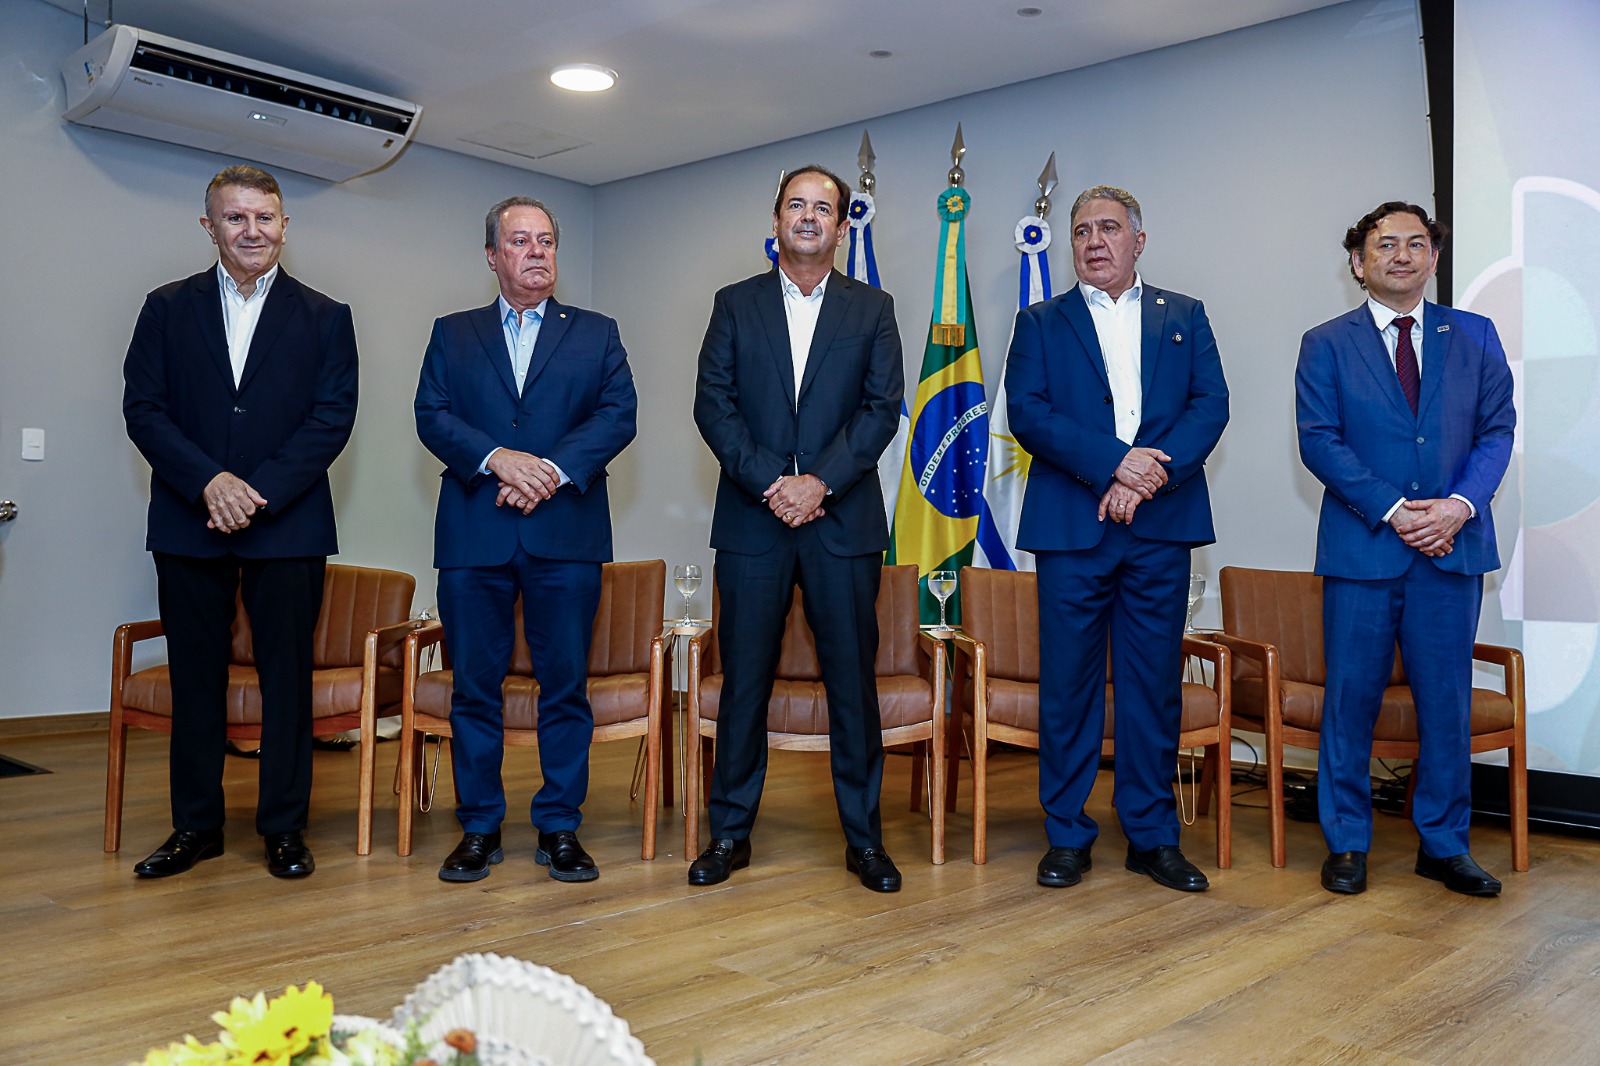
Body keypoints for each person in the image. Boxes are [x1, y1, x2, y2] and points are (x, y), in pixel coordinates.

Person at [122, 164, 358, 880]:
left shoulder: (326, 315)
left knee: (287, 680)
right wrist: (210, 484)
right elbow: (145, 411)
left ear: (286, 225)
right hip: (189, 522)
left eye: (264, 217)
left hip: (286, 523)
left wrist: (254, 492)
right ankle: (196, 828)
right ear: (209, 227)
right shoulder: (165, 307)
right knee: (198, 678)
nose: (251, 230)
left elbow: (331, 419)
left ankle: (284, 829)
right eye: (235, 218)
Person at [1006, 185, 1228, 893]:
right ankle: (1067, 834)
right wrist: (1112, 463)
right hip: (1073, 529)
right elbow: (1029, 414)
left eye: (1107, 228)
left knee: (1151, 686)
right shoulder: (1041, 321)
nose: (1093, 241)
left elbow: (1209, 406)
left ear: (1138, 239)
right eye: (1080, 231)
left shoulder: (1184, 315)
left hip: (1159, 527)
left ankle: (1152, 836)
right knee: (1068, 689)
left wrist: (1143, 477)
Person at [690, 165, 905, 892]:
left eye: (824, 208)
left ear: (842, 228)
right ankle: (729, 835)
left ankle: (865, 841)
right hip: (753, 523)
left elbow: (880, 410)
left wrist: (820, 484)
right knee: (744, 681)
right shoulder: (734, 304)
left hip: (841, 522)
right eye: (796, 205)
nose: (809, 217)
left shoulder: (873, 308)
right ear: (777, 219)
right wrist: (770, 484)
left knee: (852, 685)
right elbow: (712, 405)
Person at [1296, 201, 1515, 897]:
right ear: (1357, 263)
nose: (1401, 255)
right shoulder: (1325, 342)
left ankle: (1444, 845)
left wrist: (1457, 506)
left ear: (1433, 259)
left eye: (1415, 244)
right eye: (1384, 244)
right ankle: (1348, 844)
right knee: (1350, 702)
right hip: (1364, 550)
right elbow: (1319, 439)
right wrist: (1394, 509)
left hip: (1451, 547)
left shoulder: (1475, 334)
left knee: (1445, 703)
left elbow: (1496, 432)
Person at [415, 196, 636, 884]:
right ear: (493, 256)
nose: (536, 251)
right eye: (520, 241)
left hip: (564, 537)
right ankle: (478, 826)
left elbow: (617, 415)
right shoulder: (453, 333)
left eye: (546, 241)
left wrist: (548, 473)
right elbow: (433, 415)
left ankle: (560, 827)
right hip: (474, 537)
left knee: (564, 687)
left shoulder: (596, 333)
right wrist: (497, 460)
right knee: (472, 690)